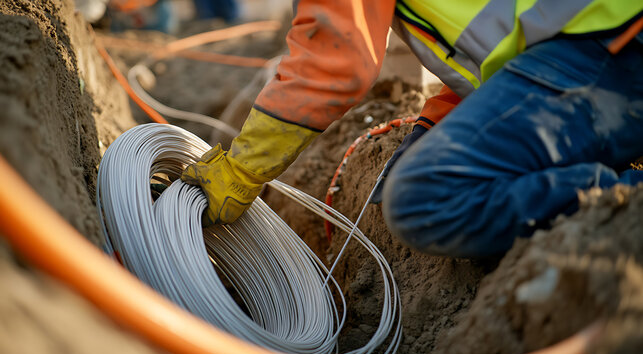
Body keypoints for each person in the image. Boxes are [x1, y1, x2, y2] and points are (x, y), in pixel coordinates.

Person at [182, 1, 643, 257]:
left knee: (424, 195)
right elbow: (491, 48)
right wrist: (437, 123)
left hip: (611, 47)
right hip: (598, 39)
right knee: (407, 168)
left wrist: (242, 171)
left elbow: (333, 64)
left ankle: (627, 200)